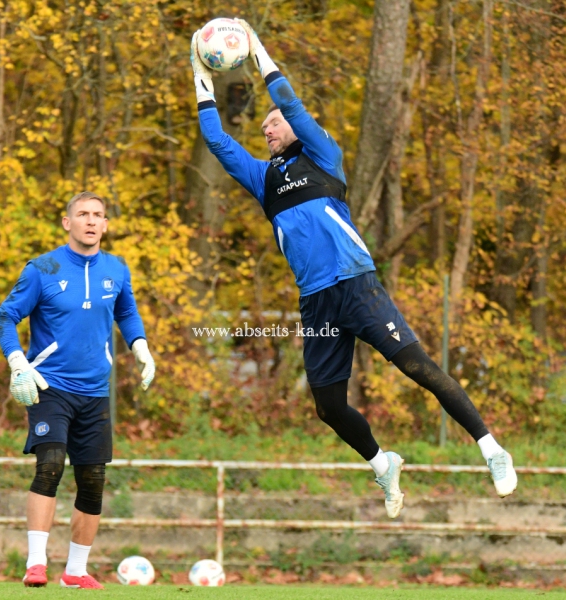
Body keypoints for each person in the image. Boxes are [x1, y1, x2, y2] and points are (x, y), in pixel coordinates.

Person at [189, 20, 517, 518]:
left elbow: (288, 97)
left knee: (417, 367)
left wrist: (258, 52)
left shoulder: (325, 156)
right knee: (327, 406)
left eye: (274, 123)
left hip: (356, 285)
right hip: (317, 301)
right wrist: (199, 72)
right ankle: (383, 463)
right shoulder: (263, 179)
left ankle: (492, 448)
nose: (266, 128)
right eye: (264, 126)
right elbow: (215, 139)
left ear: (297, 126)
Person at [0, 191, 156, 588]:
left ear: (105, 224)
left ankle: (75, 572)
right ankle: (35, 565)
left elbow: (127, 312)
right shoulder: (42, 268)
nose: (90, 220)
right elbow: (5, 316)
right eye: (82, 214)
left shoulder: (117, 269)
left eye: (97, 215)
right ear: (67, 222)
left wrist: (142, 348)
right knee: (49, 465)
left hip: (96, 390)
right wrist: (18, 363)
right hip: (49, 385)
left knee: (93, 479)